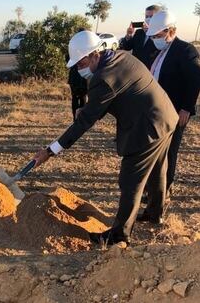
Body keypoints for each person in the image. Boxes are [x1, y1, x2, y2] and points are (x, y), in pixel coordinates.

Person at [33, 31, 178, 245]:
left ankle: (120, 235)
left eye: (81, 62)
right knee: (158, 169)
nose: (79, 68)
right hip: (165, 116)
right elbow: (115, 96)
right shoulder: (120, 56)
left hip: (147, 127)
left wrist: (49, 151)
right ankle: (155, 214)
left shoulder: (103, 78)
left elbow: (84, 122)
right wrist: (92, 109)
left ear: (94, 55)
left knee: (131, 181)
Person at [136, 11, 200, 221]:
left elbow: (194, 81)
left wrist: (186, 108)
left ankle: (160, 204)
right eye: (153, 36)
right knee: (150, 155)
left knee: (167, 157)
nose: (155, 40)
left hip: (174, 113)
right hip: (149, 112)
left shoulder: (185, 50)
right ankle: (152, 197)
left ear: (171, 31)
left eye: (159, 36)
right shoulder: (151, 47)